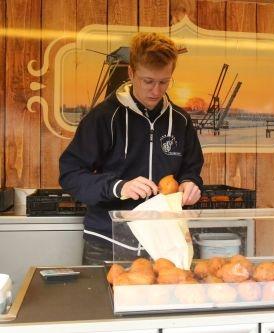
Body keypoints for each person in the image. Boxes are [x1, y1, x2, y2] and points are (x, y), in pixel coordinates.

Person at [59, 32, 204, 265]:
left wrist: (190, 183)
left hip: (164, 243)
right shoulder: (103, 118)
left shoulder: (181, 121)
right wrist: (119, 187)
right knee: (104, 303)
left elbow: (191, 169)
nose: (156, 91)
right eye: (148, 81)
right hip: (107, 243)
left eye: (164, 82)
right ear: (131, 73)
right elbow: (71, 175)